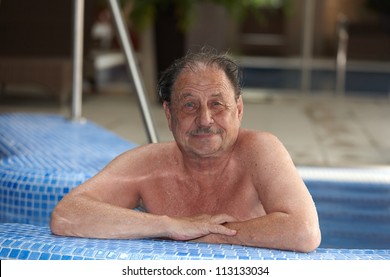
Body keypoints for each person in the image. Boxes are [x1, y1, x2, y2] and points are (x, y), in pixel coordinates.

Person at [50, 49, 321, 253]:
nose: (204, 119)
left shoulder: (259, 153)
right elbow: (67, 215)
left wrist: (207, 234)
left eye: (217, 104)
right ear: (169, 115)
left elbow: (304, 231)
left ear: (238, 110)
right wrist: (169, 226)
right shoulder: (148, 164)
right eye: (189, 106)